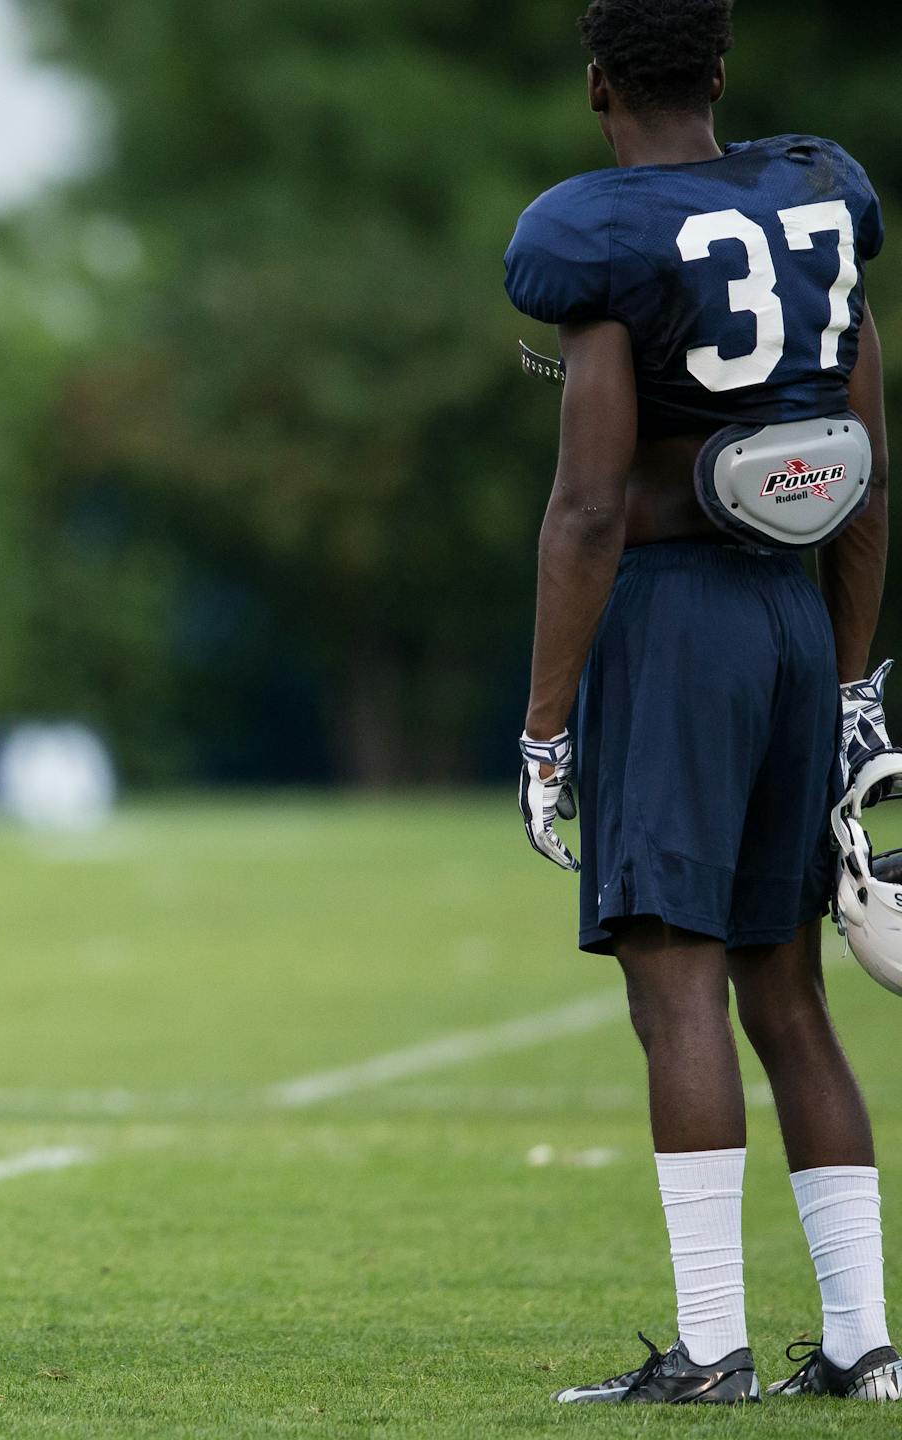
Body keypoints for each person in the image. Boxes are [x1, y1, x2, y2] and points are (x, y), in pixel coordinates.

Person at [507, 0, 898, 1405]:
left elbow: (590, 504)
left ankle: (716, 1348)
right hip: (796, 618)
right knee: (788, 998)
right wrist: (855, 682)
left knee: (675, 990)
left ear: (597, 82)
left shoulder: (601, 232)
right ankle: (861, 1342)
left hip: (674, 625)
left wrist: (545, 726)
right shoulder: (820, 198)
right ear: (721, 73)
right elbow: (860, 456)